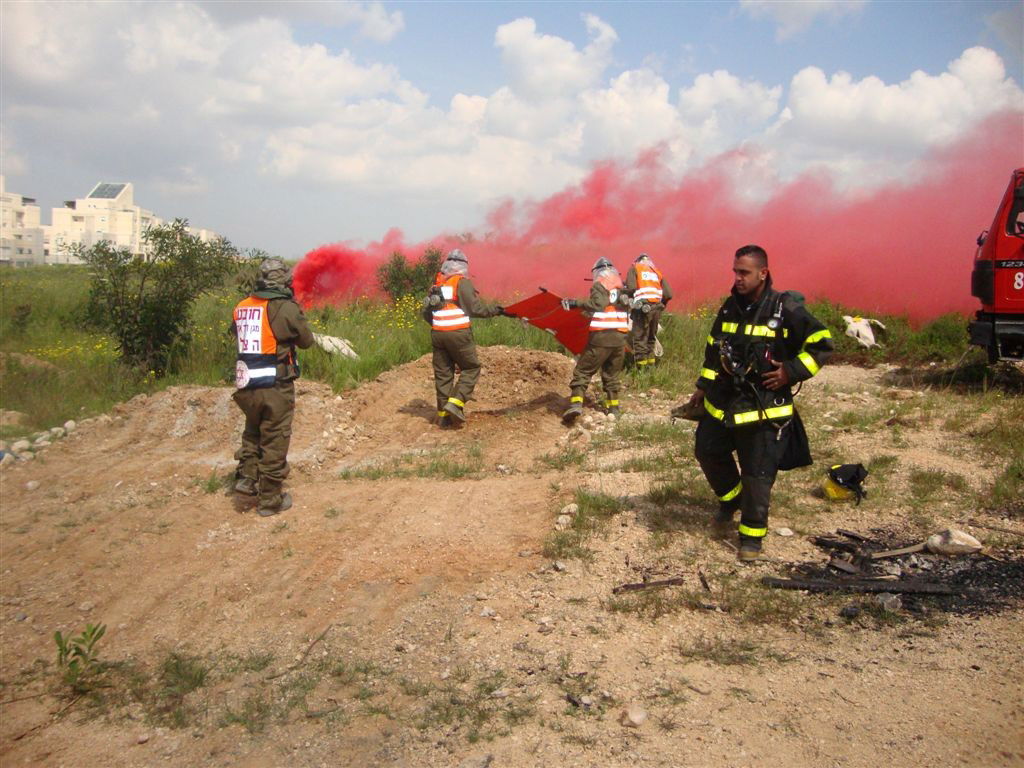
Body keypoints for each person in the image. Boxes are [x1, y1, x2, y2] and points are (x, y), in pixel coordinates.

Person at [677, 244, 833, 560]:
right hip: (723, 401)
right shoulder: (729, 307)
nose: (738, 278)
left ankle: (751, 537)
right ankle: (731, 499)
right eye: (735, 272)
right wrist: (703, 386)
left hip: (763, 407)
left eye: (744, 272)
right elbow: (713, 348)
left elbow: (822, 343)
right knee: (706, 450)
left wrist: (790, 371)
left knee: (757, 473)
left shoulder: (783, 307)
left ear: (763, 273)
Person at [231, 257, 315, 516]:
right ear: (284, 281)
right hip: (274, 384)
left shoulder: (242, 306)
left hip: (246, 384)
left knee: (253, 431)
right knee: (275, 438)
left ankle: (246, 479)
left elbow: (238, 335)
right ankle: (269, 501)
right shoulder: (284, 308)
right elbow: (306, 341)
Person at [422, 248, 507, 426]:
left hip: (438, 335)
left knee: (444, 375)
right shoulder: (461, 282)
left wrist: (440, 326)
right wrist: (497, 310)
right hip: (458, 333)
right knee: (471, 368)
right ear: (463, 266)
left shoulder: (437, 285)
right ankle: (456, 402)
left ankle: (444, 417)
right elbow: (475, 309)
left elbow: (425, 313)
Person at [560, 257, 631, 423]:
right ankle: (614, 408)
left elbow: (599, 305)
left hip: (602, 336)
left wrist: (575, 303)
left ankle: (576, 404)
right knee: (611, 375)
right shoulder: (622, 288)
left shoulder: (600, 285)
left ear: (597, 272)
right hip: (620, 338)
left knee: (583, 371)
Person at [625, 252, 673, 368]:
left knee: (640, 338)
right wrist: (661, 305)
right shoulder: (656, 272)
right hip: (656, 308)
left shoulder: (635, 268)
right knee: (651, 338)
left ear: (637, 261)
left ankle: (641, 370)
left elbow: (631, 288)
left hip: (642, 308)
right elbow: (668, 294)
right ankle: (650, 367)